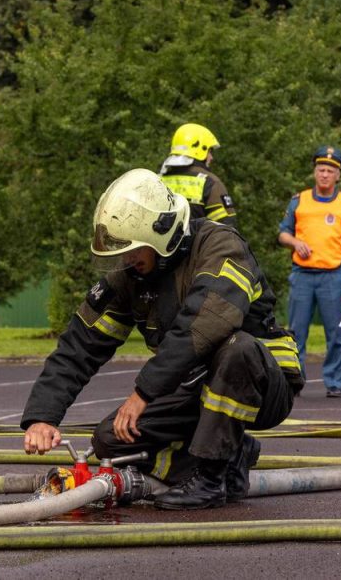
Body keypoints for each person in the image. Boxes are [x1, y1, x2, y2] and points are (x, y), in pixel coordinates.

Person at [21, 169, 303, 510]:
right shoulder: (134, 276)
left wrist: (143, 393)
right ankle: (230, 457)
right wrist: (43, 416)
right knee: (111, 440)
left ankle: (212, 479)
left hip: (262, 384)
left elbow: (203, 324)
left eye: (133, 250)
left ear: (163, 236)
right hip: (196, 388)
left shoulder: (221, 246)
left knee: (235, 348)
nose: (126, 260)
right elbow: (80, 346)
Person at [277, 145, 341, 398]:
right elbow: (283, 232)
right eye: (320, 169)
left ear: (338, 175)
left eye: (330, 171)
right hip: (302, 275)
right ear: (315, 172)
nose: (324, 174)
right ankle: (294, 381)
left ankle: (334, 382)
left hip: (332, 276)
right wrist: (295, 242)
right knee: (295, 333)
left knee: (336, 333)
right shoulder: (299, 201)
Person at [159, 123, 237, 226]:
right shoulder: (210, 182)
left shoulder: (158, 180)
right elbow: (226, 228)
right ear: (200, 149)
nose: (211, 157)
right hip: (200, 242)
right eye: (210, 151)